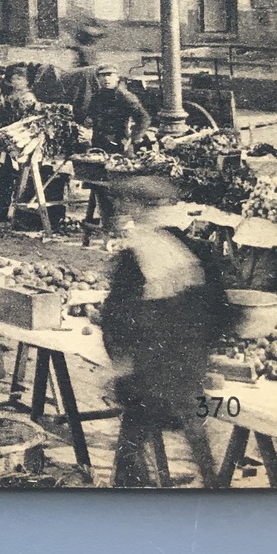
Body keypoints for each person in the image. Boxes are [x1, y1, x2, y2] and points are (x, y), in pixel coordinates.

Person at [100, 175, 231, 488]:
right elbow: (221, 311)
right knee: (195, 436)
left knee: (133, 432)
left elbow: (115, 318)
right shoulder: (195, 251)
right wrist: (202, 351)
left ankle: (128, 490)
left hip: (148, 376)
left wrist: (120, 362)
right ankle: (213, 488)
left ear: (137, 209)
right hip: (188, 373)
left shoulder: (135, 258)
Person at [85, 65, 151, 154]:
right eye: (102, 75)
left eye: (109, 75)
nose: (106, 79)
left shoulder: (124, 96)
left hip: (118, 142)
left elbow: (144, 118)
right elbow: (91, 115)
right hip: (98, 142)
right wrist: (89, 119)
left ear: (117, 77)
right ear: (98, 78)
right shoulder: (97, 96)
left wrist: (134, 139)